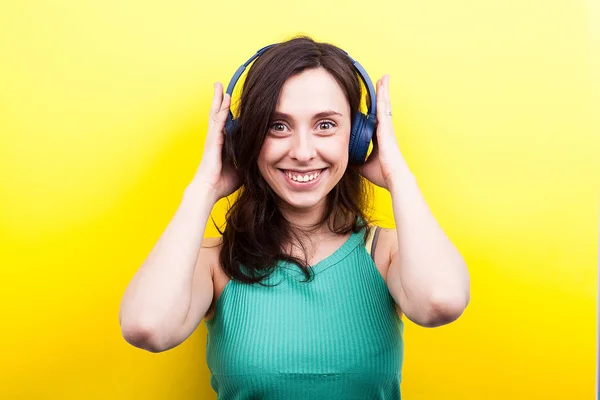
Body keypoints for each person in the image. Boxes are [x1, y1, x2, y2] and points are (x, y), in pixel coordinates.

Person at [119, 35, 470, 399]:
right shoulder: (214, 262)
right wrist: (204, 187)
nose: (303, 152)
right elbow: (147, 327)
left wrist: (397, 175)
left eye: (325, 125)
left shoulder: (387, 253)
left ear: (358, 137)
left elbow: (440, 302)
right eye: (278, 126)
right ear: (246, 139)